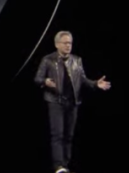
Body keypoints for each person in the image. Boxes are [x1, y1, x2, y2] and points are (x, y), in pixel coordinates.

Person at [33, 31, 111, 173]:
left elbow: (82, 79)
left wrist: (95, 84)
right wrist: (45, 81)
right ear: (57, 44)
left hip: (72, 102)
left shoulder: (77, 60)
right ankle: (58, 166)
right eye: (65, 43)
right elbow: (37, 79)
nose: (68, 46)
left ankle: (65, 165)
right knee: (58, 134)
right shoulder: (48, 60)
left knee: (69, 135)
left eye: (70, 43)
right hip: (55, 101)